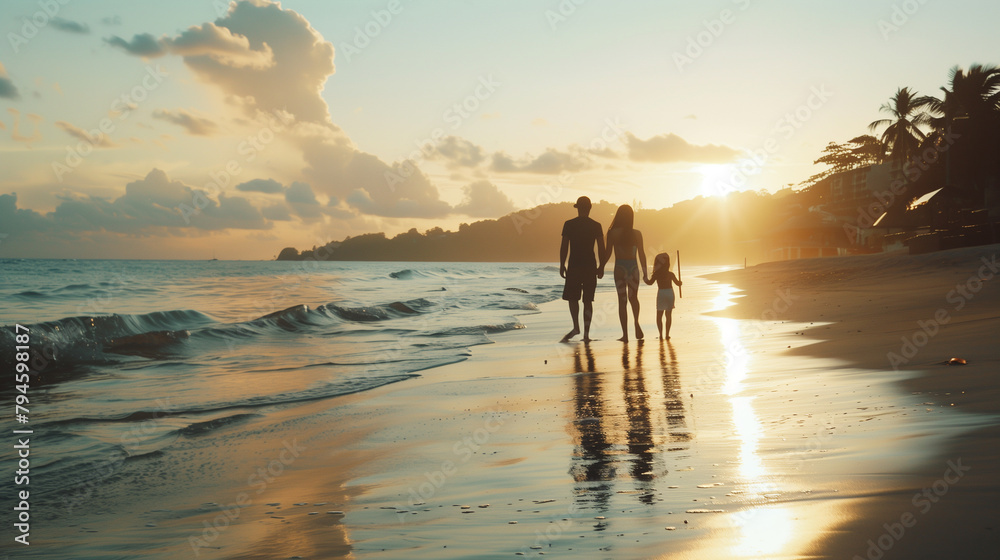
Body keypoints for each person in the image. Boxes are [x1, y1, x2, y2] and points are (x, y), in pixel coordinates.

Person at [559, 196, 605, 342]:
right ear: (590, 208)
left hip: (574, 265)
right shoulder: (596, 225)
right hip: (590, 265)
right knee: (588, 300)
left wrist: (562, 264)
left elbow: (564, 246)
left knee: (573, 298)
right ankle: (586, 334)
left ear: (577, 208)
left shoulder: (569, 224)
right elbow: (601, 248)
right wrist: (602, 266)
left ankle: (576, 327)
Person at [599, 204, 647, 341]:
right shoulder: (637, 233)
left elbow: (608, 253)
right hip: (633, 268)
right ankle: (636, 323)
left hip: (620, 268)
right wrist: (645, 273)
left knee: (622, 301)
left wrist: (601, 267)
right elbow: (642, 254)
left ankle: (625, 335)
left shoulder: (613, 233)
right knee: (634, 298)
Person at [645, 253, 682, 339]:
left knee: (659, 315)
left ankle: (661, 335)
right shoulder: (670, 274)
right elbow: (678, 283)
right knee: (668, 315)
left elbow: (650, 283)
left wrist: (645, 279)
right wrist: (680, 283)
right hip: (669, 292)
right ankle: (667, 334)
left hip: (661, 293)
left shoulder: (657, 274)